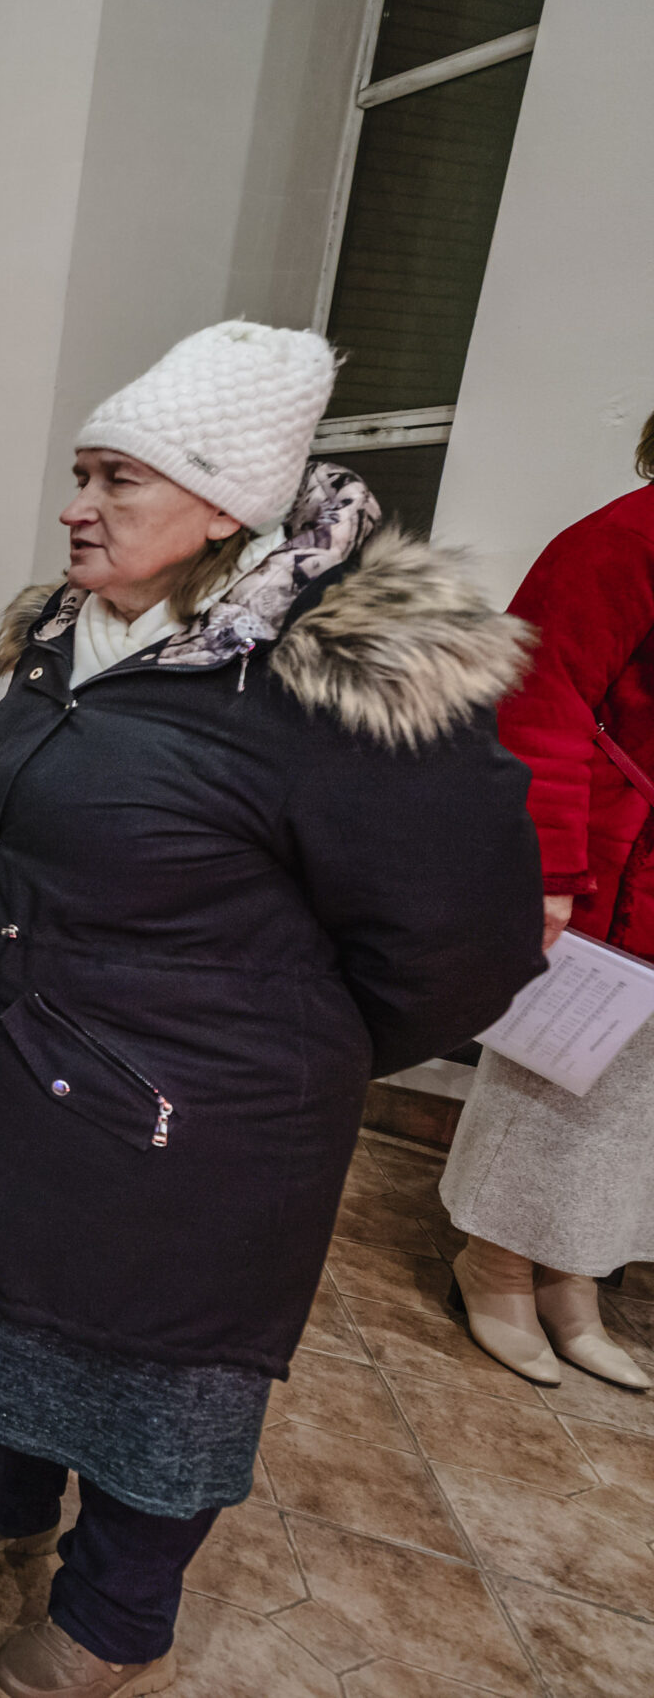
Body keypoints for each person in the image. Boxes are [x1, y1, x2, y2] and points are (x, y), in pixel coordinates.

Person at [0, 322, 542, 1698]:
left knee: (154, 1379)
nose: (76, 503)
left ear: (224, 507)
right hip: (20, 1068)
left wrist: (271, 1060)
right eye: (81, 472)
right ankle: (2, 1489)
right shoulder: (72, 636)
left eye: (116, 478)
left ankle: (116, 1615)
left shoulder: (341, 686)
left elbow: (464, 947)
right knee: (2, 1301)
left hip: (196, 1123)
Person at [438, 415, 654, 1393]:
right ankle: (494, 1265)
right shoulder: (621, 542)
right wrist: (552, 868)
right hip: (614, 861)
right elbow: (537, 700)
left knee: (630, 1105)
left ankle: (573, 1276)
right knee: (554, 1074)